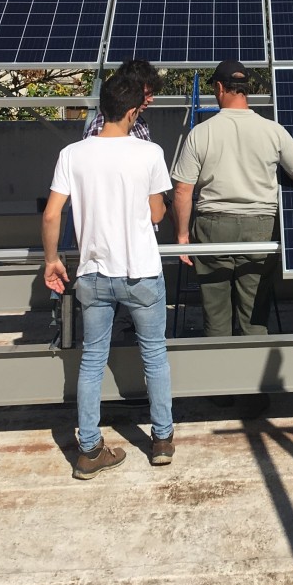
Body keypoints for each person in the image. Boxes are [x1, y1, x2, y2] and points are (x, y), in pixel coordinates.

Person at [41, 73, 175, 480]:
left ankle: (88, 451)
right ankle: (163, 441)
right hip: (142, 273)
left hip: (93, 274)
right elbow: (156, 214)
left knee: (92, 361)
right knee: (154, 355)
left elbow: (51, 214)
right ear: (134, 111)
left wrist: (51, 261)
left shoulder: (72, 154)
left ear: (103, 107)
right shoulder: (149, 153)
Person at [171, 60, 293, 337]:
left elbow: (182, 190)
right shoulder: (273, 130)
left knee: (216, 313)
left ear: (220, 87)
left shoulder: (201, 132)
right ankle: (253, 369)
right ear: (246, 89)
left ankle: (219, 370)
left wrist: (182, 238)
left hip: (213, 227)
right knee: (254, 313)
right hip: (260, 226)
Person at [84, 59, 161, 140]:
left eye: (152, 94)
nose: (151, 99)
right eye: (147, 94)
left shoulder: (139, 122)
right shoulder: (100, 128)